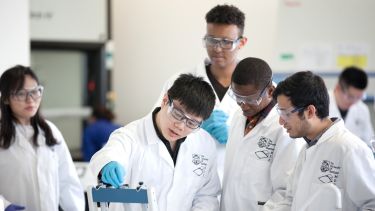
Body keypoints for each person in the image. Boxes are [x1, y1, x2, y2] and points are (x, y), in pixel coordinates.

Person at [89, 74, 220, 211]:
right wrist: (108, 163)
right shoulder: (131, 135)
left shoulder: (204, 143)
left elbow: (206, 195)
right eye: (177, 114)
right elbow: (110, 153)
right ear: (164, 100)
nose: (180, 126)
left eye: (192, 122)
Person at [154, 4, 248, 182]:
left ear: (242, 42)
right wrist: (196, 127)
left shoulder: (258, 89)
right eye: (211, 40)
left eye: (227, 42)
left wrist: (236, 136)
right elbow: (155, 125)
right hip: (187, 179)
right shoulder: (178, 81)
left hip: (236, 183)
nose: (217, 48)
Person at [265, 71, 375, 210]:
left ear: (310, 111)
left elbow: (372, 204)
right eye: (279, 113)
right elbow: (291, 200)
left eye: (286, 113)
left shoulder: (350, 149)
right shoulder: (307, 149)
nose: (281, 121)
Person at [220, 57, 304, 211]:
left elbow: (285, 191)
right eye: (237, 97)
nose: (242, 104)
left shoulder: (285, 128)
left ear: (270, 91)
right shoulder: (239, 115)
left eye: (249, 99)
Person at [0, 65, 85, 211]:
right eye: (21, 93)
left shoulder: (51, 131)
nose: (30, 99)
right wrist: (4, 206)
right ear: (6, 98)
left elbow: (68, 182)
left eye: (35, 91)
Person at [329, 66, 374, 146]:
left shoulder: (362, 109)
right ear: (338, 88)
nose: (354, 101)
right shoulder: (321, 105)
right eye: (350, 96)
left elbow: (369, 140)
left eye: (359, 97)